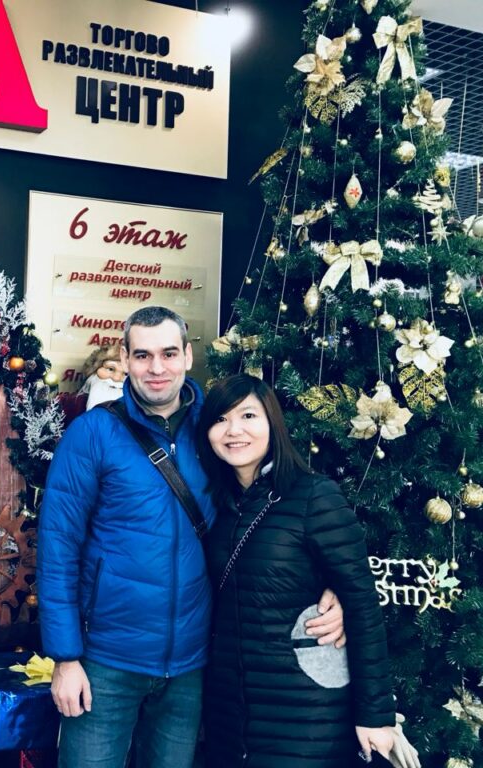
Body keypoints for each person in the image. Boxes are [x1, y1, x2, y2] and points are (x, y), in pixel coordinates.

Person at [37, 307, 344, 768]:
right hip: (106, 660)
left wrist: (330, 584)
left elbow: (271, 513)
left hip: (191, 664)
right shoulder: (93, 433)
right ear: (125, 357)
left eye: (168, 353)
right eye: (143, 355)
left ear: (187, 355)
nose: (156, 368)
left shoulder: (218, 430)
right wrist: (65, 657)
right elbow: (57, 547)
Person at [196, 374, 397, 767]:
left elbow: (362, 605)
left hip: (306, 713)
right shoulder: (219, 506)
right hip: (230, 716)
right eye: (220, 419)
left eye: (248, 416)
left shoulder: (314, 496)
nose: (233, 430)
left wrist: (375, 716)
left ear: (273, 423)